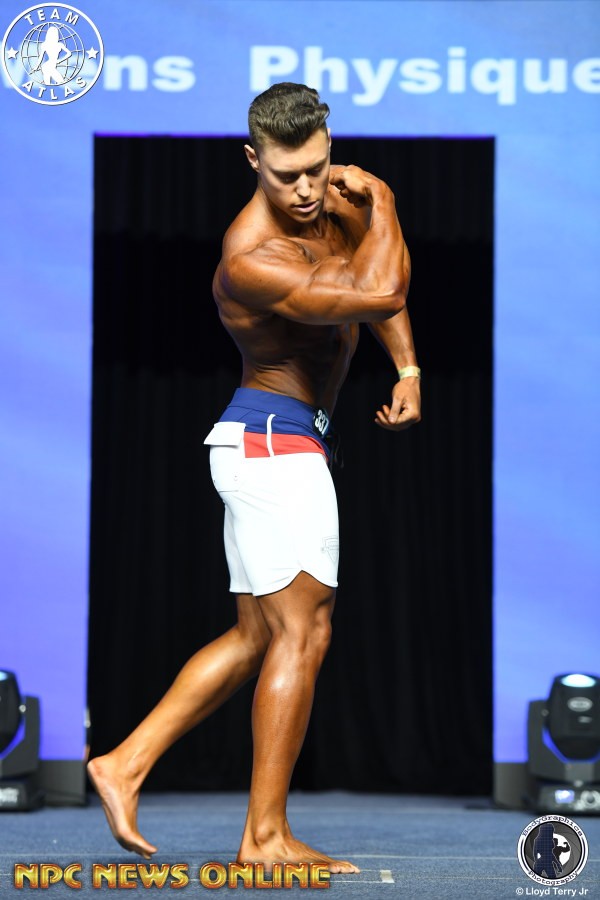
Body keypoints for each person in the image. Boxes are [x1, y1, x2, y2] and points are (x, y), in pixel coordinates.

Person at [88, 82, 420, 875]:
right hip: (275, 445)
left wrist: (406, 366)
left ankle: (124, 763)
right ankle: (264, 838)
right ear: (252, 160)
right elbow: (378, 288)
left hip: (269, 443)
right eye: (285, 175)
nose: (305, 190)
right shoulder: (250, 258)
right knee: (305, 632)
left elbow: (374, 282)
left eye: (316, 169)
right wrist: (386, 199)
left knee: (257, 636)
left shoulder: (327, 207)